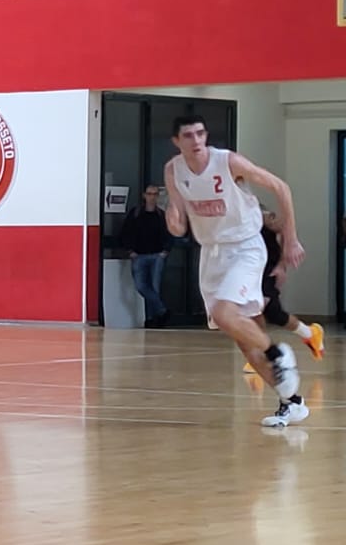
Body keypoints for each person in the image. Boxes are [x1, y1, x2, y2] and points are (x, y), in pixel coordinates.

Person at [164, 114, 304, 427]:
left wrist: (291, 239)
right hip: (211, 255)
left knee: (225, 314)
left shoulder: (228, 162)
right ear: (176, 141)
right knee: (246, 340)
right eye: (188, 135)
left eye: (201, 133)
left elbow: (281, 187)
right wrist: (173, 223)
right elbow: (179, 222)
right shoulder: (173, 170)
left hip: (244, 248)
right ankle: (292, 402)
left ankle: (278, 354)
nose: (197, 140)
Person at [241, 209, 327, 402]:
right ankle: (262, 353)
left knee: (271, 312)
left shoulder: (260, 214)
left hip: (267, 270)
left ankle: (310, 333)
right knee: (256, 313)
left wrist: (282, 264)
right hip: (248, 269)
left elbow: (286, 227)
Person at [119, 185, 171, 327]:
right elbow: (125, 232)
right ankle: (162, 310)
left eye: (155, 194)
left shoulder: (161, 215)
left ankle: (152, 318)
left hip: (157, 255)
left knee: (154, 287)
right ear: (144, 195)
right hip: (139, 255)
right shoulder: (136, 214)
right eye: (149, 194)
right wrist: (130, 251)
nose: (152, 197)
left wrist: (165, 251)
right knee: (141, 286)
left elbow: (168, 233)